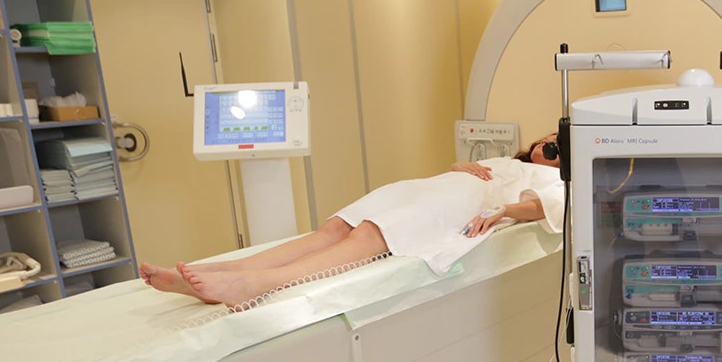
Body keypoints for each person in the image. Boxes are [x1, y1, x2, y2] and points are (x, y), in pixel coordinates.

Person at [142, 133, 563, 309]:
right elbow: (472, 168)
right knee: (334, 228)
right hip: (430, 186)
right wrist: (460, 165)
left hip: (463, 201)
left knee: (368, 235)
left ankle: (255, 285)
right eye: (547, 139)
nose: (548, 145)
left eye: (557, 147)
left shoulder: (557, 179)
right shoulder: (507, 160)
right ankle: (218, 271)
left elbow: (542, 207)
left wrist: (503, 211)